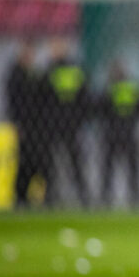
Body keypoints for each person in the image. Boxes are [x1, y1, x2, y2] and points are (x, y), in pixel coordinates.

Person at [43, 37, 90, 206]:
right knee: (50, 163)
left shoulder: (73, 70)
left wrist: (80, 119)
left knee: (75, 162)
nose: (56, 49)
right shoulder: (48, 70)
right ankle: (50, 196)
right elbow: (41, 98)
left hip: (71, 124)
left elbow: (84, 97)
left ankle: (83, 196)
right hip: (53, 125)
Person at [97, 60, 139, 206]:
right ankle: (112, 195)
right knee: (118, 166)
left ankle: (129, 195)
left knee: (125, 166)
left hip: (120, 130)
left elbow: (99, 109)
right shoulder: (123, 87)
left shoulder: (113, 87)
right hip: (120, 131)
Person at [5, 40, 51, 206]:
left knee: (41, 163)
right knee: (25, 163)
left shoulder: (34, 75)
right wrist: (17, 123)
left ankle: (42, 197)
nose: (29, 56)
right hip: (25, 127)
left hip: (37, 128)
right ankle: (20, 197)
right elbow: (12, 103)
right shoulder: (15, 75)